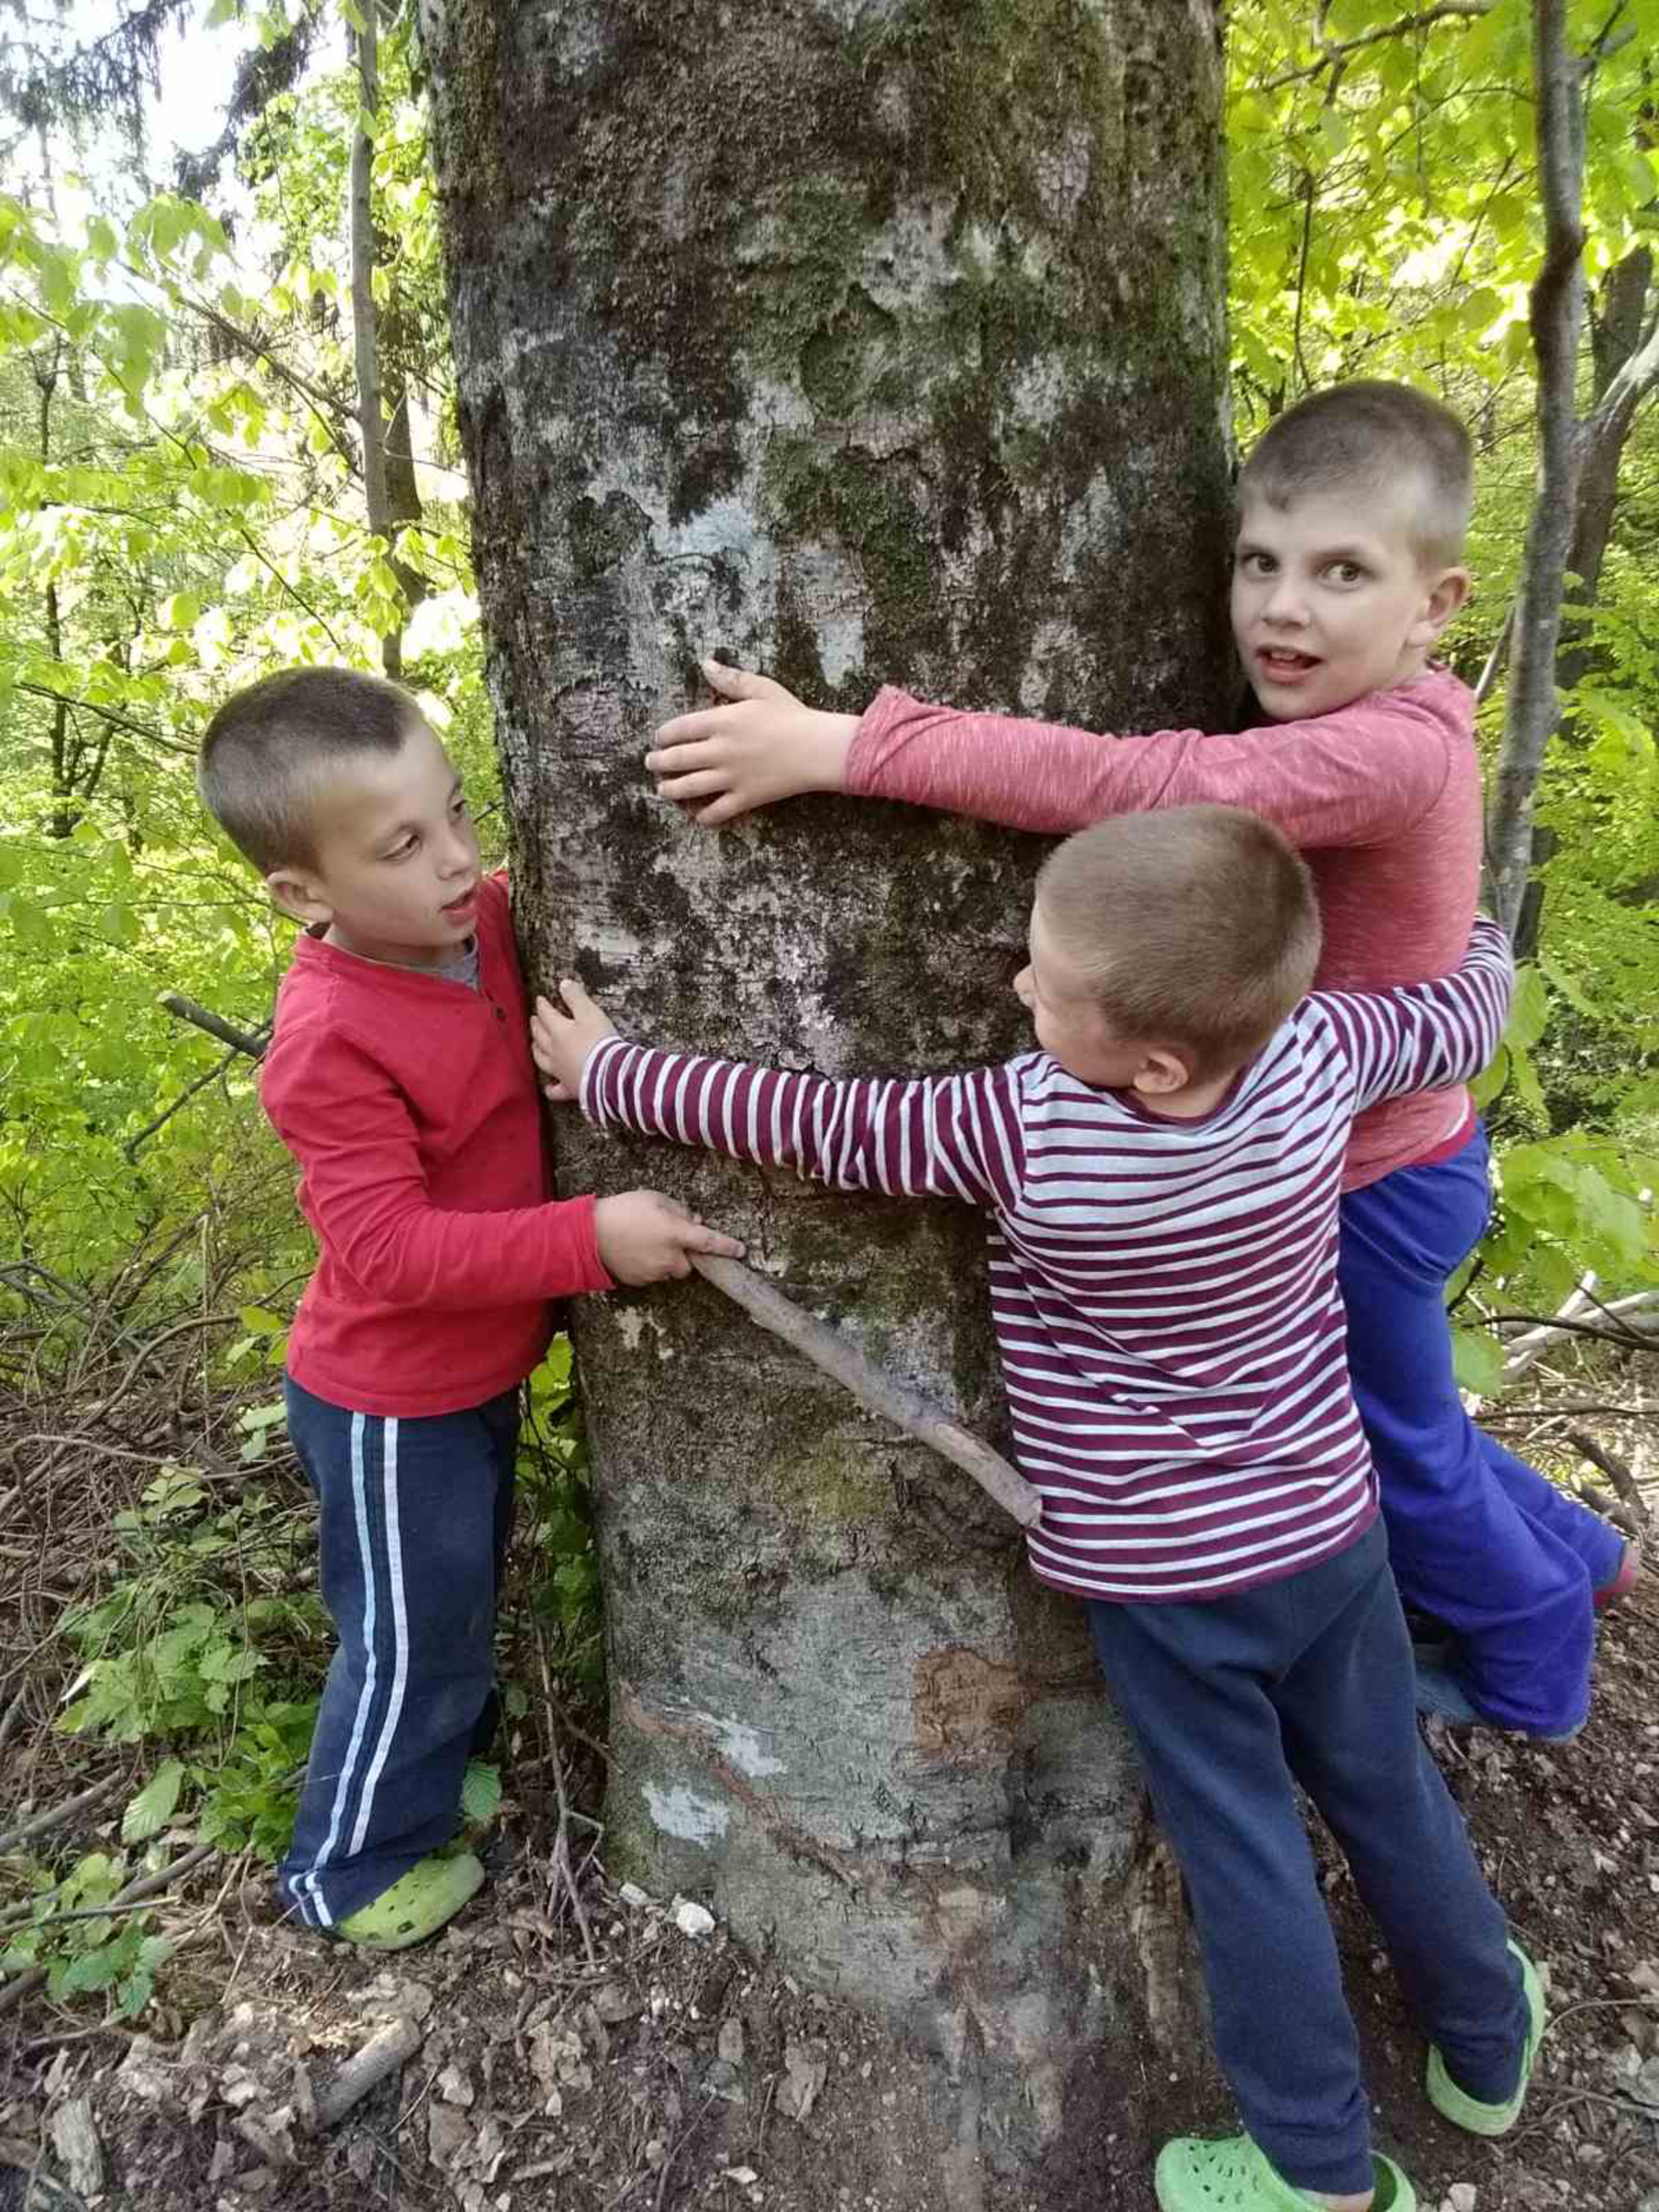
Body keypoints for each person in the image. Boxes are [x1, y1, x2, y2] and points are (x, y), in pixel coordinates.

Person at [530, 805, 1543, 2212]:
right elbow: (1455, 1017)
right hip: (1327, 1529)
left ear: (1158, 1056)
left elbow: (823, 1125)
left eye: (1048, 989)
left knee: (1244, 1844)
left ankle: (1314, 2166)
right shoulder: (1320, 1048)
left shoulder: (1024, 1129)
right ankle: (1488, 2044)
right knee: (1381, 1775)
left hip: (1167, 1581)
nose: (1017, 991)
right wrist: (1483, 929)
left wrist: (618, 1072)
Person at [639, 379, 1638, 1743]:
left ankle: (1530, 1660)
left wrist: (850, 745)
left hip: (1375, 1178)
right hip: (1381, 1145)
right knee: (1404, 1411)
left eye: (1342, 572)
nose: (1284, 607)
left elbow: (1137, 787)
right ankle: (1580, 1557)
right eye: (1260, 563)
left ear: (1435, 606)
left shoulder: (1384, 749)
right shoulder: (1377, 730)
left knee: (1395, 1447)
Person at [196, 668, 743, 1949]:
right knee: (409, 1635)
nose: (458, 863)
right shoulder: (328, 1037)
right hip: (389, 1402)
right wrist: (588, 1242)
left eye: (457, 814)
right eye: (404, 846)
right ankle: (349, 1866)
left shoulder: (484, 922)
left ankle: (429, 1777)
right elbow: (382, 1248)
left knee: (454, 1604)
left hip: (474, 1379)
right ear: (303, 892)